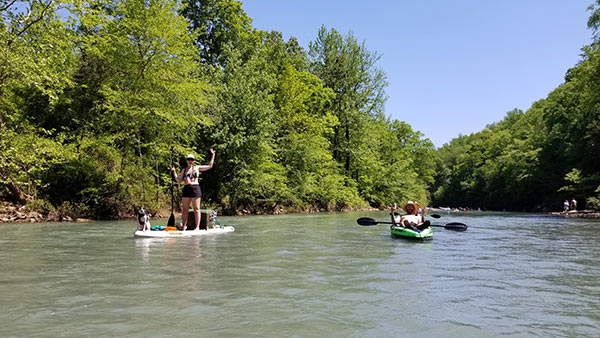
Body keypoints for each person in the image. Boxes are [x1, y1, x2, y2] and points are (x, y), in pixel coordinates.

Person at [171, 149, 216, 230]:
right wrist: (174, 172)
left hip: (195, 188)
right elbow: (178, 180)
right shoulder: (184, 170)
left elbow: (210, 166)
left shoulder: (197, 168)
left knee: (196, 209)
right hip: (186, 189)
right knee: (185, 209)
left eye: (191, 160)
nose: (190, 161)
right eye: (189, 159)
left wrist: (213, 155)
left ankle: (197, 227)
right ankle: (184, 226)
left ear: (193, 161)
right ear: (186, 160)